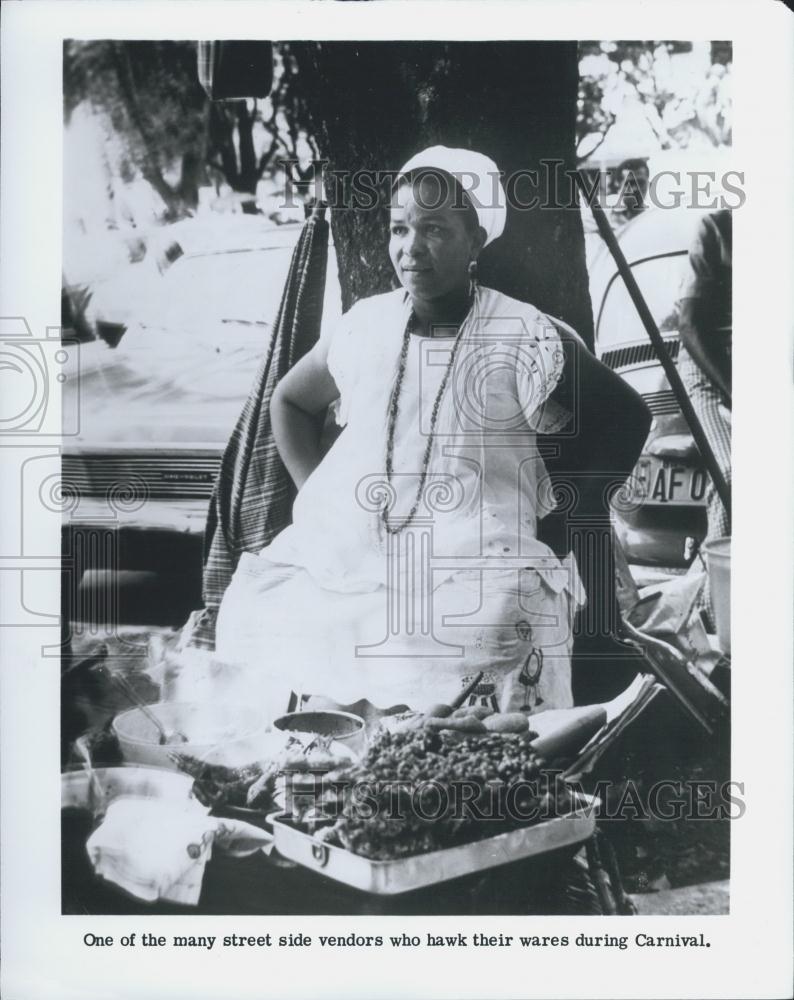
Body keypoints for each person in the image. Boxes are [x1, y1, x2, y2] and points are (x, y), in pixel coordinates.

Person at [210, 147, 629, 713]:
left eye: (434, 229)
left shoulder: (521, 331)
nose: (411, 247)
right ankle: (322, 755)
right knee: (257, 606)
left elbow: (628, 417)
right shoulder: (365, 325)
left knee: (497, 623)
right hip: (362, 550)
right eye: (400, 228)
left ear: (477, 241)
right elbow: (288, 401)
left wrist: (567, 517)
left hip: (481, 549)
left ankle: (470, 770)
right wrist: (318, 498)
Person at [677, 209, 732, 544]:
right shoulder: (716, 227)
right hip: (714, 371)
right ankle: (714, 594)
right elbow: (690, 324)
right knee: (733, 474)